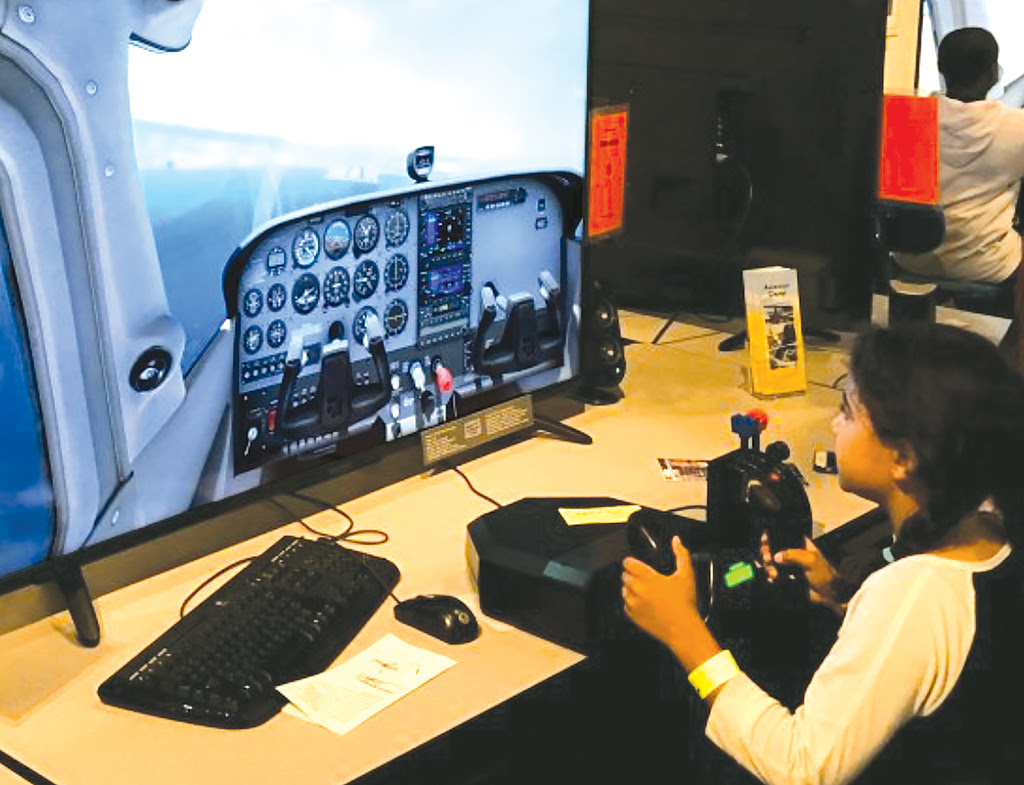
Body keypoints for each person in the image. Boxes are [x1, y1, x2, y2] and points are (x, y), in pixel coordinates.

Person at [621, 322, 1024, 785]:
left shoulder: (916, 594)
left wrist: (684, 632)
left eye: (848, 411)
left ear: (904, 458)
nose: (834, 424)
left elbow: (803, 768)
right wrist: (842, 598)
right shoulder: (992, 530)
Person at [893, 28, 1024, 366]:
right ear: (994, 72)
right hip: (988, 263)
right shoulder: (1016, 128)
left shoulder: (909, 118)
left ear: (940, 67)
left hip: (912, 256)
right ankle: (1013, 358)